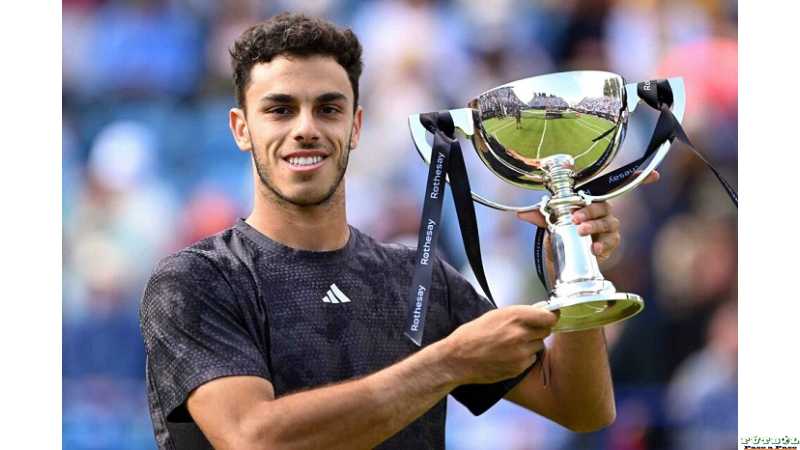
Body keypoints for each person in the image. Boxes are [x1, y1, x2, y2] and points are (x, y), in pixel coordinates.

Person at [139, 13, 647, 450]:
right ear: (241, 128)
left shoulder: (415, 277)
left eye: (328, 108)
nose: (305, 128)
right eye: (279, 109)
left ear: (356, 126)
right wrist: (448, 363)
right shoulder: (196, 280)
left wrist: (573, 282)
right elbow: (253, 438)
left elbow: (582, 407)